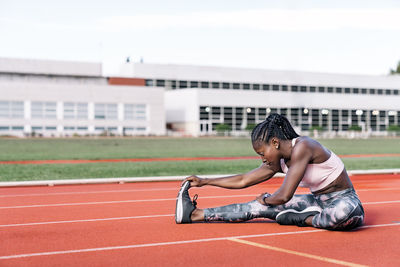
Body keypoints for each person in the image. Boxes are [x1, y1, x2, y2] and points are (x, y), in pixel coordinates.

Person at [175, 113, 364, 230]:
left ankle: (303, 218)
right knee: (256, 207)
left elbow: (284, 196)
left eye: (262, 152)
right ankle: (195, 214)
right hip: (317, 202)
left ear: (275, 142)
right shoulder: (278, 161)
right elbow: (243, 180)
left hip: (344, 199)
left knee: (346, 214)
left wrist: (266, 200)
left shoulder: (304, 147)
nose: (262, 158)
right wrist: (205, 181)